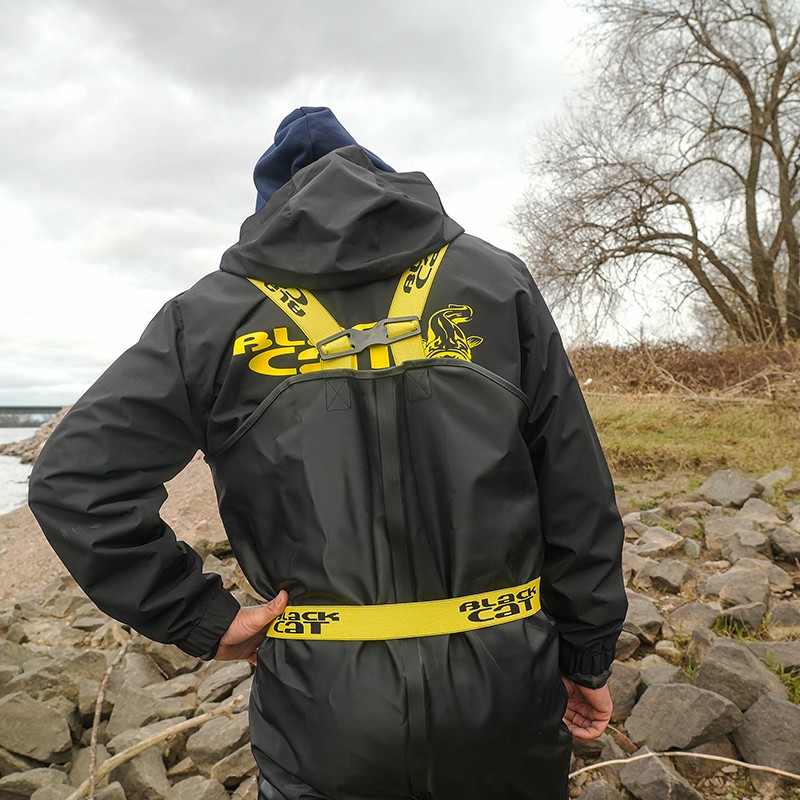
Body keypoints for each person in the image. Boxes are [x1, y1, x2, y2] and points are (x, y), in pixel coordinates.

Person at [29, 107, 627, 800]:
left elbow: (75, 479)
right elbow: (574, 484)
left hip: (323, 708)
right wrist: (587, 655)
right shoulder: (498, 282)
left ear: (271, 209)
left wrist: (202, 618)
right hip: (506, 686)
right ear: (383, 184)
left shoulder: (210, 317)